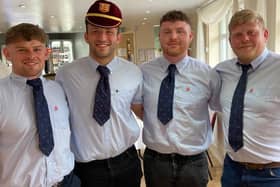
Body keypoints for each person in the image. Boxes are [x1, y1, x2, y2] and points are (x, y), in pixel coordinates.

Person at [55, 0, 143, 186]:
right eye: (95, 31)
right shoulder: (66, 74)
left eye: (109, 32)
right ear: (86, 36)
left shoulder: (133, 72)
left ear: (118, 37)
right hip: (86, 169)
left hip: (127, 162)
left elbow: (139, 109)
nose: (102, 37)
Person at [139, 10, 220, 187]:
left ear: (190, 36)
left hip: (193, 162)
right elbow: (138, 107)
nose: (173, 37)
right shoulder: (143, 72)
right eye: (167, 32)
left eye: (180, 31)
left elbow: (218, 106)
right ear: (159, 36)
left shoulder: (207, 73)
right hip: (156, 160)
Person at [0, 23, 75, 186]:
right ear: (7, 53)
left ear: (46, 53)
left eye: (37, 49)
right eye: (21, 50)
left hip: (66, 181)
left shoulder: (58, 90)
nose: (31, 55)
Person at [215, 9, 280, 187]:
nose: (245, 39)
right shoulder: (221, 71)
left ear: (265, 35)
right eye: (238, 35)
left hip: (272, 175)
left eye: (251, 32)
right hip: (231, 170)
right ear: (230, 41)